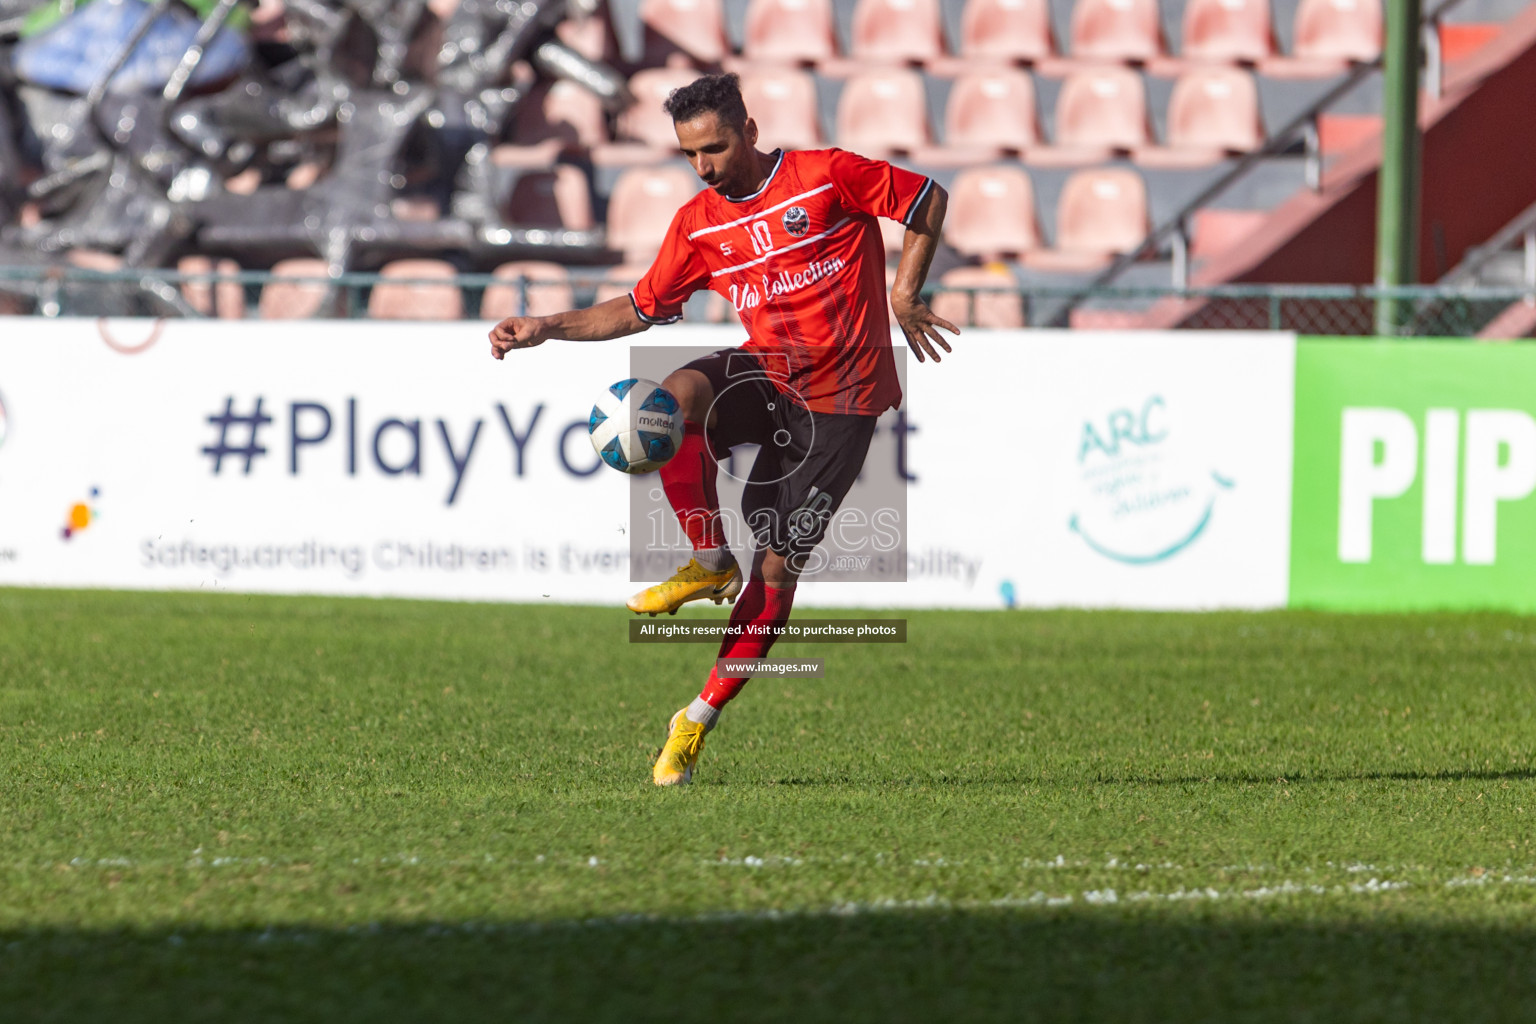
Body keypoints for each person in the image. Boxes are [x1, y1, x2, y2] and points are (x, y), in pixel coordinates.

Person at [489, 72, 957, 786]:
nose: (704, 166)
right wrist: (546, 328)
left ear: (750, 132)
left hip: (843, 403)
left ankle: (695, 719)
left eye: (714, 148)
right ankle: (709, 558)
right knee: (665, 402)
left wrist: (904, 291)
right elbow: (640, 308)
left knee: (775, 571)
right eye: (690, 155)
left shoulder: (824, 177)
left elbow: (927, 198)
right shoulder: (698, 225)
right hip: (768, 372)